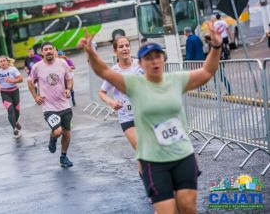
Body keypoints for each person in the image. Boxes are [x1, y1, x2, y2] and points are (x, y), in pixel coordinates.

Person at [79, 23, 223, 214]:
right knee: (167, 211)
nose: (154, 61)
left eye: (157, 57)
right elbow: (104, 72)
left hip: (182, 154)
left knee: (188, 206)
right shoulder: (134, 85)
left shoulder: (176, 80)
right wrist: (90, 52)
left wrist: (216, 47)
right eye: (148, 58)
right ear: (141, 64)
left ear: (163, 59)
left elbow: (206, 72)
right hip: (153, 160)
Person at [27, 42, 74, 168]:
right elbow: (30, 82)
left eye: (50, 49)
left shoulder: (62, 63)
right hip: (49, 107)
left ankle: (63, 157)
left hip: (64, 105)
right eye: (45, 49)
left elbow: (69, 78)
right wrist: (36, 96)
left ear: (54, 50)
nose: (48, 51)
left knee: (67, 133)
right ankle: (53, 139)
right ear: (42, 52)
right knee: (58, 131)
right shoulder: (37, 67)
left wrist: (68, 89)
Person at [99, 37, 143, 151]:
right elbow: (102, 92)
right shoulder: (113, 72)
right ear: (115, 51)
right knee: (139, 148)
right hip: (127, 116)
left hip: (145, 114)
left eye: (127, 46)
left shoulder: (141, 64)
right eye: (121, 46)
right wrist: (111, 102)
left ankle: (144, 169)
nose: (125, 49)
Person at [0, 55, 23, 138]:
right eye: (0, 61)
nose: (2, 63)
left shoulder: (13, 69)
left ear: (7, 61)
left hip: (14, 91)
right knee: (10, 110)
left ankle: (16, 122)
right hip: (4, 93)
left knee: (17, 110)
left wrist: (12, 80)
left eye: (4, 61)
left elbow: (21, 79)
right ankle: (14, 128)